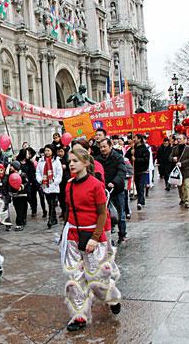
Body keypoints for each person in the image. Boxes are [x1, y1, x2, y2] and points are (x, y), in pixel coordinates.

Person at [60, 145, 121, 332]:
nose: (71, 164)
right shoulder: (69, 184)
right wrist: (65, 235)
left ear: (85, 163)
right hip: (73, 237)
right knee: (74, 278)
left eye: (75, 161)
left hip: (93, 237)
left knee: (96, 277)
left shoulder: (96, 185)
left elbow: (102, 214)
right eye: (69, 161)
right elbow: (68, 211)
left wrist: (95, 238)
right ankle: (79, 316)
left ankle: (112, 297)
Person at [96, 139, 127, 243]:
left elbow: (121, 172)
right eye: (101, 147)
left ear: (110, 146)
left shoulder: (118, 157)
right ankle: (108, 236)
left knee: (120, 213)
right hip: (103, 190)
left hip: (117, 189)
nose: (102, 149)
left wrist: (114, 182)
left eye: (104, 147)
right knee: (105, 213)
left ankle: (122, 234)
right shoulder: (97, 159)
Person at [36, 144, 63, 228]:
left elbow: (59, 173)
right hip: (45, 185)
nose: (46, 152)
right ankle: (54, 218)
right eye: (45, 150)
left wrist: (56, 181)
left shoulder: (56, 161)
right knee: (49, 202)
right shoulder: (41, 161)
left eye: (48, 150)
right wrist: (40, 180)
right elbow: (38, 172)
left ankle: (50, 219)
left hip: (53, 184)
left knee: (52, 202)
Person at [125, 134, 150, 210]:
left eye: (135, 138)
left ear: (139, 139)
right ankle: (141, 201)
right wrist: (131, 153)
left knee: (140, 186)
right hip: (135, 170)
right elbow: (126, 156)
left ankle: (140, 202)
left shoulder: (144, 149)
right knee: (138, 186)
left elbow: (146, 160)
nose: (133, 139)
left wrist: (136, 159)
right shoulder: (133, 148)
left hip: (143, 171)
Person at [169, 135, 189, 209]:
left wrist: (182, 163)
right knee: (180, 186)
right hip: (178, 171)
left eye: (180, 139)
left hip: (187, 170)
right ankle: (182, 198)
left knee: (186, 185)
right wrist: (173, 158)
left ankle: (187, 200)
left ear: (184, 140)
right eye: (178, 139)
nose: (178, 140)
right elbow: (169, 157)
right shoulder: (174, 148)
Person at [8, 161, 28, 231]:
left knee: (20, 209)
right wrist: (10, 192)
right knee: (17, 209)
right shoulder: (11, 175)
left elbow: (26, 182)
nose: (10, 167)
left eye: (12, 166)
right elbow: (10, 184)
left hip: (22, 195)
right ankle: (22, 220)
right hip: (15, 195)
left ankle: (19, 224)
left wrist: (21, 186)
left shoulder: (23, 175)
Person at [56, 146, 70, 219]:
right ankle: (63, 210)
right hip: (59, 181)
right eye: (58, 152)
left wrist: (66, 166)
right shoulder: (56, 160)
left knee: (66, 197)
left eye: (61, 151)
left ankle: (66, 212)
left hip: (66, 180)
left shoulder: (67, 159)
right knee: (60, 197)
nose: (60, 153)